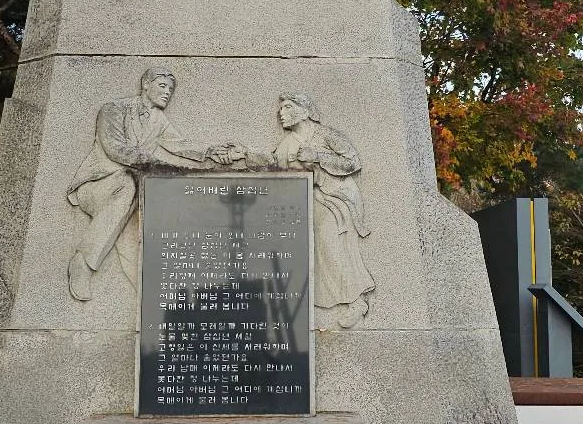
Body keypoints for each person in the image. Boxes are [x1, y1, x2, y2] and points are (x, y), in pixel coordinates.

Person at [66, 68, 237, 300]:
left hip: (131, 192)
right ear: (146, 84)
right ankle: (82, 263)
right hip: (98, 184)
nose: (167, 93)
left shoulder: (158, 120)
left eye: (171, 89)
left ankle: (150, 295)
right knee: (129, 186)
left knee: (133, 234)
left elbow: (180, 145)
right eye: (162, 86)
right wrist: (155, 165)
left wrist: (209, 153)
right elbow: (114, 148)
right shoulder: (114, 109)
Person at [243, 92, 375, 329]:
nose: (280, 113)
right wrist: (245, 155)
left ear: (304, 111)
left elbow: (353, 162)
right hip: (304, 201)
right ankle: (302, 309)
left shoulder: (325, 135)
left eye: (287, 107)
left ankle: (356, 302)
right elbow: (274, 163)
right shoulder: (288, 141)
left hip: (333, 200)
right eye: (280, 109)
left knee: (329, 245)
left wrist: (317, 156)